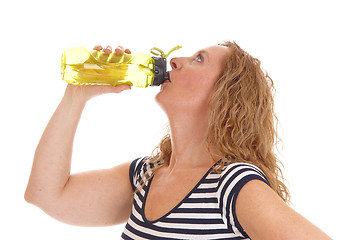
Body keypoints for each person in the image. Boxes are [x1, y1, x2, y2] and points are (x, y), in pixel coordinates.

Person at [25, 41, 332, 239]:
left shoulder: (231, 183)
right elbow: (45, 195)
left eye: (199, 59)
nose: (176, 60)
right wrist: (76, 96)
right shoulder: (145, 175)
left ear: (224, 94)